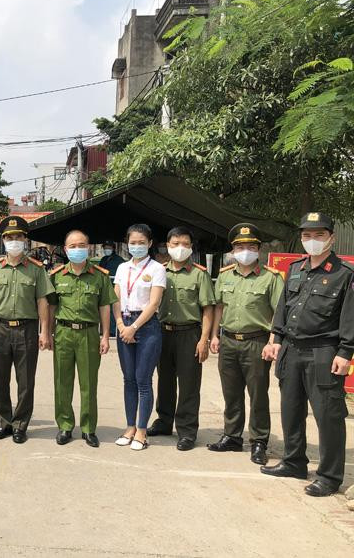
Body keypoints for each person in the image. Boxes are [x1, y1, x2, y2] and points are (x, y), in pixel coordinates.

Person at [261, 211, 353, 497]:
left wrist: (345, 352)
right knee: (290, 410)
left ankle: (329, 476)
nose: (312, 241)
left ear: (331, 238)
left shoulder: (343, 274)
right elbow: (283, 307)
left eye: (318, 235)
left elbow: (350, 317)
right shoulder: (296, 269)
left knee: (328, 416)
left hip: (324, 352)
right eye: (307, 236)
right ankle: (294, 461)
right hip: (291, 350)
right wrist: (275, 338)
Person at [208, 224, 283, 464]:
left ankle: (259, 441)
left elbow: (279, 313)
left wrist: (272, 342)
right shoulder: (225, 275)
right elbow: (219, 306)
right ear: (232, 249)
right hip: (229, 340)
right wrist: (214, 335)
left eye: (251, 246)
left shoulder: (270, 278)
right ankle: (232, 436)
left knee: (258, 394)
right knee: (231, 393)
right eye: (240, 247)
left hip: (256, 342)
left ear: (259, 249)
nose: (245, 251)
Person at [0, 216, 54, 444]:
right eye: (9, 238)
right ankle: (3, 423)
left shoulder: (36, 270)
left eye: (18, 237)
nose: (14, 241)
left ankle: (20, 425)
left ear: (25, 240)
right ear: (3, 240)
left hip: (27, 330)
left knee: (25, 381)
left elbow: (43, 302)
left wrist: (44, 332)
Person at [148, 227, 215, 451]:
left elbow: (207, 309)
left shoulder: (199, 274)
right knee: (164, 380)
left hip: (190, 333)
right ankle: (164, 421)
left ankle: (187, 430)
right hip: (163, 331)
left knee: (189, 384)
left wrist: (204, 339)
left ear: (191, 247)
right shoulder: (159, 272)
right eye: (175, 244)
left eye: (185, 244)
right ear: (167, 246)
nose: (180, 248)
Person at [48, 230, 117, 447]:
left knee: (89, 383)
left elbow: (104, 307)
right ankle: (65, 426)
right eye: (73, 246)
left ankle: (88, 428)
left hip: (89, 333)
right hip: (63, 333)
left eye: (82, 245)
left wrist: (105, 336)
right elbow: (51, 307)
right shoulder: (56, 275)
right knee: (62, 382)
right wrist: (47, 333)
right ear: (66, 249)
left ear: (88, 248)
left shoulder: (100, 276)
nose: (77, 249)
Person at [112, 224, 166, 451]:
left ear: (150, 243)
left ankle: (142, 431)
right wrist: (120, 325)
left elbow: (154, 303)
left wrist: (133, 327)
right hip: (124, 324)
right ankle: (130, 427)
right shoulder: (123, 268)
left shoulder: (156, 269)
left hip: (146, 326)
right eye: (132, 242)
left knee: (143, 380)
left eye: (141, 242)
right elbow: (115, 297)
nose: (136, 246)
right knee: (128, 380)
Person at [98, 241, 126, 337]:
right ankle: (104, 330)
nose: (107, 249)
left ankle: (114, 331)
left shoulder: (119, 260)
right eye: (105, 247)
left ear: (113, 248)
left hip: (115, 289)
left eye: (109, 247)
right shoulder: (104, 259)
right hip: (104, 288)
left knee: (114, 309)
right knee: (104, 308)